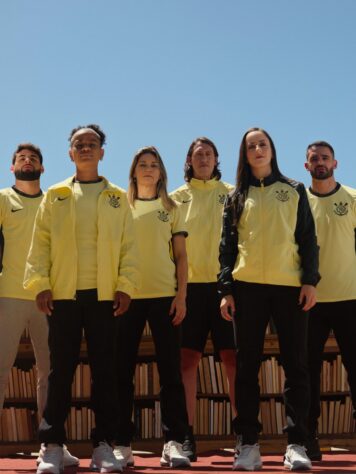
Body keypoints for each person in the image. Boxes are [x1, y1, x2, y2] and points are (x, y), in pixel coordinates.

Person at [24, 125, 139, 474]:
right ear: (70, 153)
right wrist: (41, 284)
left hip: (105, 297)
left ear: (102, 152)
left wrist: (125, 285)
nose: (86, 148)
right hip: (63, 296)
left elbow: (129, 248)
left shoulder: (118, 197)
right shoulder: (55, 195)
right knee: (61, 371)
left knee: (105, 371)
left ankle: (103, 446)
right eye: (79, 144)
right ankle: (52, 444)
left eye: (92, 144)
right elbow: (40, 243)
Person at [218, 127, 320, 471]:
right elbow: (226, 249)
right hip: (247, 289)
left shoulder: (293, 190)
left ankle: (297, 443)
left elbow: (307, 238)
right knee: (246, 367)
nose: (258, 149)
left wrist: (309, 282)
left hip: (289, 288)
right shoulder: (235, 197)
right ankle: (248, 444)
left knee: (296, 366)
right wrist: (226, 290)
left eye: (262, 144)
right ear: (244, 155)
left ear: (272, 150)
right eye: (251, 146)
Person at [0, 144, 78, 467]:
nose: (27, 161)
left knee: (51, 372)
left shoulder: (53, 201)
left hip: (48, 297)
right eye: (21, 158)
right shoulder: (3, 199)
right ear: (12, 167)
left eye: (33, 159)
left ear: (43, 169)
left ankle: (51, 445)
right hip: (9, 294)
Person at [114, 146, 190, 469]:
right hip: (127, 296)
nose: (147, 169)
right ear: (133, 171)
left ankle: (173, 442)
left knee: (171, 372)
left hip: (164, 296)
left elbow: (182, 256)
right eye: (142, 165)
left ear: (161, 172)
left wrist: (181, 295)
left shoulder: (171, 207)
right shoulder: (120, 206)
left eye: (153, 165)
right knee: (121, 372)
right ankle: (121, 443)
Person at [171, 137, 236, 461]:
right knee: (186, 362)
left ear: (217, 158)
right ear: (189, 160)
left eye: (209, 154)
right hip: (189, 289)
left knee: (234, 360)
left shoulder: (234, 193)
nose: (204, 158)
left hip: (227, 287)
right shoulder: (174, 199)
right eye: (198, 154)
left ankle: (244, 436)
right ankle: (185, 437)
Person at [304, 141, 356, 461]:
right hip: (310, 301)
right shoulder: (298, 202)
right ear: (306, 166)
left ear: (335, 163)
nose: (320, 162)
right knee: (306, 373)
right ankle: (308, 438)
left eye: (325, 158)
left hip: (350, 298)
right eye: (314, 159)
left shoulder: (352, 198)